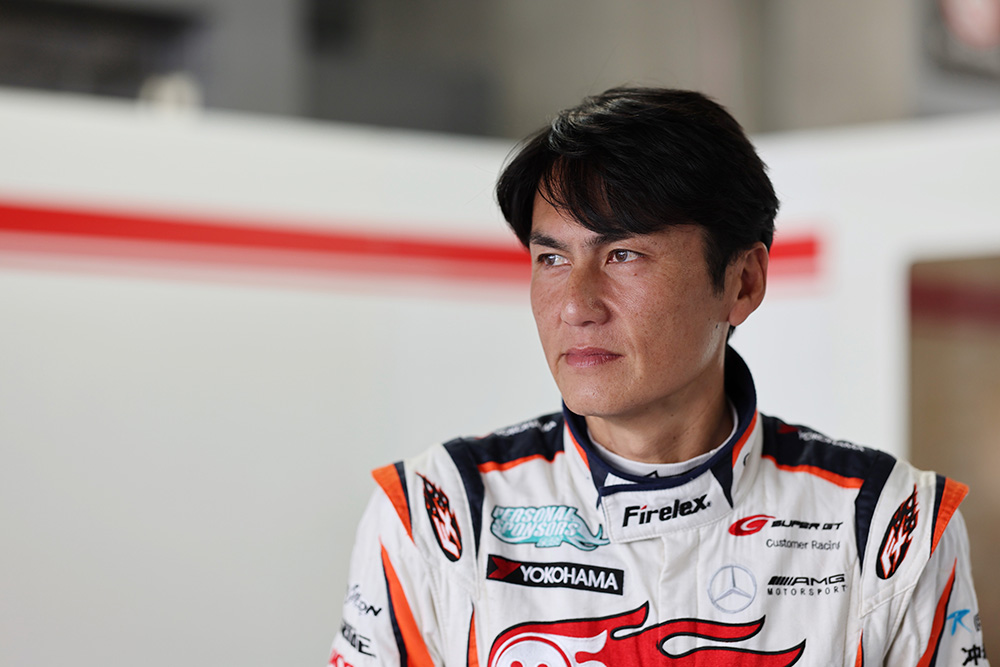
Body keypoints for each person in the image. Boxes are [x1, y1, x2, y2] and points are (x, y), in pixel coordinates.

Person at [328, 87, 987, 667]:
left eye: (623, 254)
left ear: (743, 282)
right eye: (551, 258)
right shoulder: (437, 512)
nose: (576, 306)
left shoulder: (888, 521)